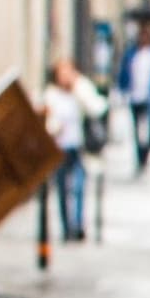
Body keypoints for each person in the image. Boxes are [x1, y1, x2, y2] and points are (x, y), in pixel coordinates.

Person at [39, 58, 105, 243]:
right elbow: (47, 120)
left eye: (69, 72)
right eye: (62, 72)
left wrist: (79, 88)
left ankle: (77, 225)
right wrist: (54, 128)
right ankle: (66, 227)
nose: (65, 76)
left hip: (78, 147)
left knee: (78, 187)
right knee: (62, 189)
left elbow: (97, 108)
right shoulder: (51, 95)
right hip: (59, 148)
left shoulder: (80, 90)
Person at [121, 26, 150, 171]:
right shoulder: (132, 55)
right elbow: (125, 74)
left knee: (147, 128)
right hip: (135, 97)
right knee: (137, 129)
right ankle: (140, 155)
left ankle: (145, 153)